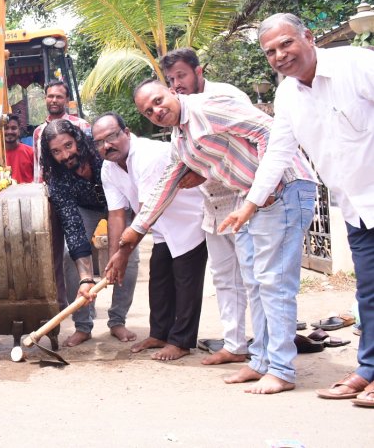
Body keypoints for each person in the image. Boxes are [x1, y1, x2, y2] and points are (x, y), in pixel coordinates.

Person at [104, 79, 316, 395]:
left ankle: (282, 370)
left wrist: (263, 188)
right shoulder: (180, 141)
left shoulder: (208, 106)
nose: (157, 110)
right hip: (251, 201)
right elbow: (167, 185)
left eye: (159, 101)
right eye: (149, 111)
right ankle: (260, 362)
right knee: (256, 284)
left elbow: (268, 131)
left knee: (273, 284)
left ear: (173, 93)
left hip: (284, 188)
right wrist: (133, 233)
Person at [218, 13, 374, 405]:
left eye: (286, 43)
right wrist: (250, 206)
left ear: (309, 37)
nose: (280, 55)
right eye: (270, 51)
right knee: (369, 294)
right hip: (356, 206)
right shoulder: (287, 95)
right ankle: (368, 370)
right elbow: (278, 154)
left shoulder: (357, 65)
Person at [160, 47, 253, 365]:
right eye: (171, 79)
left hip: (246, 199)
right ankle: (235, 345)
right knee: (225, 278)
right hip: (212, 206)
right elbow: (177, 168)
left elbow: (250, 143)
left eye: (182, 75)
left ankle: (271, 349)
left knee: (255, 278)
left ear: (199, 72)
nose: (177, 84)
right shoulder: (177, 117)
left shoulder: (225, 96)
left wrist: (203, 171)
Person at [92, 113, 207, 361]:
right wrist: (113, 258)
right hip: (161, 226)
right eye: (99, 142)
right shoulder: (108, 168)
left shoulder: (147, 155)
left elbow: (146, 210)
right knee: (159, 278)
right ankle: (160, 333)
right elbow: (116, 215)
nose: (106, 146)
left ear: (127, 131)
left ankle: (182, 341)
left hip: (188, 219)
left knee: (186, 280)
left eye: (111, 137)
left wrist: (123, 255)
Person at [40, 119, 138, 346]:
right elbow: (73, 227)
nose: (65, 155)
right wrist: (86, 278)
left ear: (78, 141)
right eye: (56, 152)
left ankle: (117, 321)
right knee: (69, 255)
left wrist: (118, 251)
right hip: (86, 209)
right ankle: (83, 326)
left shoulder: (100, 152)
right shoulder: (57, 179)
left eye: (68, 146)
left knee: (128, 258)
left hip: (120, 205)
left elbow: (119, 207)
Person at [32, 80, 89, 182]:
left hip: (82, 186)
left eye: (59, 97)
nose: (54, 100)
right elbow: (39, 167)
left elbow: (92, 159)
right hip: (51, 189)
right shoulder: (38, 132)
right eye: (50, 96)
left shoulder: (81, 125)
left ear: (67, 101)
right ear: (45, 99)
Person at [4, 114, 34, 184]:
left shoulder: (31, 152)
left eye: (13, 128)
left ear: (19, 130)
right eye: (6, 128)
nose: (9, 131)